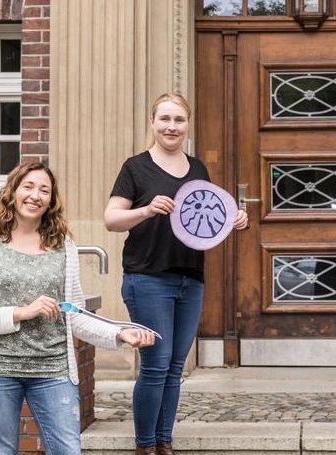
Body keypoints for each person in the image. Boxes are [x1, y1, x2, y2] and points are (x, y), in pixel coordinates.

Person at [0, 161, 155, 455]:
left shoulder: (63, 246)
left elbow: (74, 314)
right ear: (12, 191)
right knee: (1, 451)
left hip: (53, 369)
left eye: (44, 190)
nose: (35, 195)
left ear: (51, 200)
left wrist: (119, 334)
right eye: (28, 186)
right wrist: (22, 312)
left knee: (67, 449)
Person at [104, 92, 248, 455]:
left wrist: (234, 220)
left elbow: (205, 219)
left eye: (179, 120)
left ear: (188, 125)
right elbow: (111, 219)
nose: (171, 127)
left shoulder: (198, 170)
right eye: (165, 119)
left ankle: (164, 442)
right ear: (152, 123)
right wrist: (146, 210)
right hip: (147, 277)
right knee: (155, 364)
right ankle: (145, 446)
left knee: (174, 367)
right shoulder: (135, 167)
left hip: (190, 278)